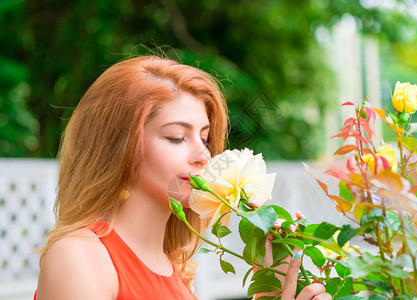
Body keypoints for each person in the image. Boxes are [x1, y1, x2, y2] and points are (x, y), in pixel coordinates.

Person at [35, 55, 331, 300]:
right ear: (117, 148)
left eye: (204, 138)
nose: (203, 155)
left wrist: (271, 290)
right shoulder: (80, 259)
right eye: (176, 137)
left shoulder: (176, 269)